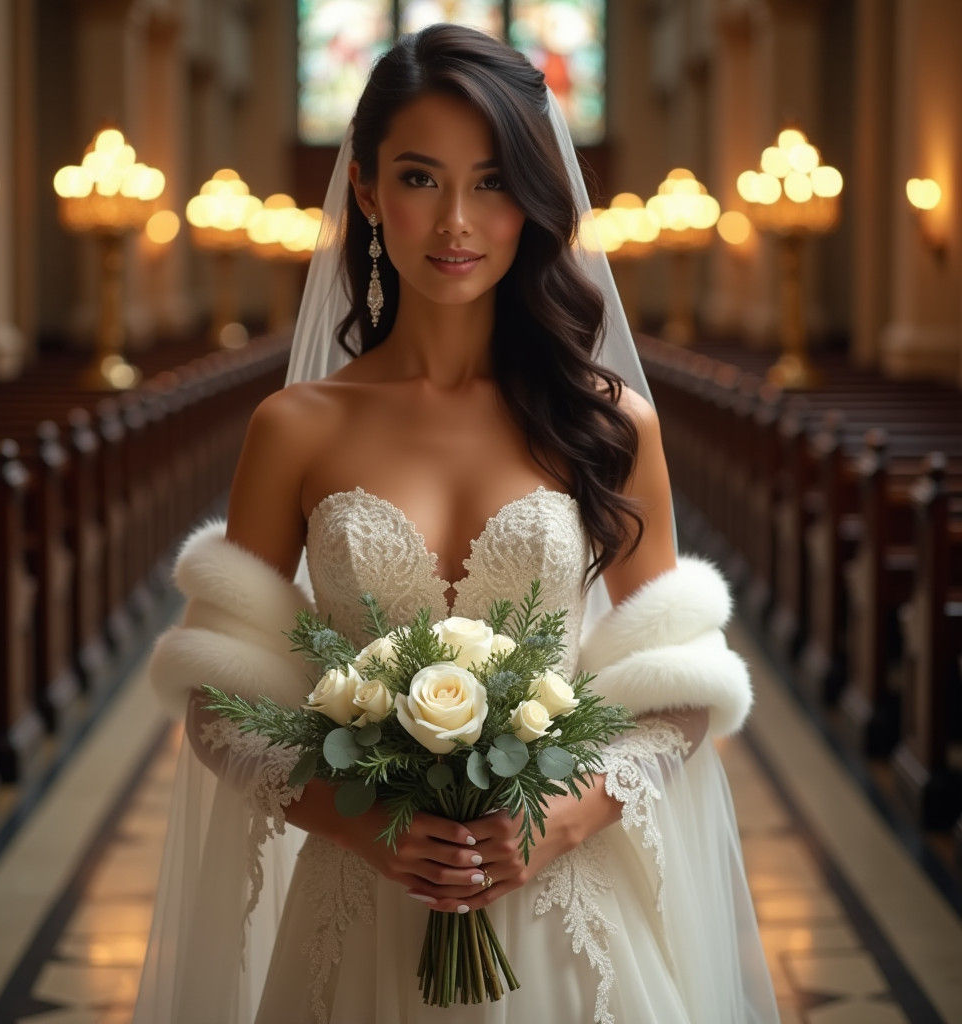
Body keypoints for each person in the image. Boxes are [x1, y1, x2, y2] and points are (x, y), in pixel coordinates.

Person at [134, 23, 780, 1024]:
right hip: (361, 911)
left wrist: (563, 819)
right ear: (365, 188)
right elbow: (217, 703)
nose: (455, 222)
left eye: (490, 182)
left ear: (531, 198)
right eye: (421, 178)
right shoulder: (295, 427)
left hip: (565, 920)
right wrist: (356, 819)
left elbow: (682, 687)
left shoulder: (610, 423)